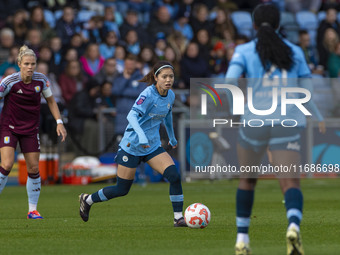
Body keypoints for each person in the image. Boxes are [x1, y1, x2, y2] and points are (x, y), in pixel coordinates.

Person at [225, 4, 326, 255]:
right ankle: (293, 226)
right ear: (280, 25)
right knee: (290, 181)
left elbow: (228, 82)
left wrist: (236, 110)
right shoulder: (294, 51)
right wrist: (317, 115)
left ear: (254, 25)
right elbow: (307, 91)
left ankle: (242, 240)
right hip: (286, 122)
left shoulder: (244, 50)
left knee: (247, 180)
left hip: (254, 122)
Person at [79, 61, 187, 227]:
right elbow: (131, 116)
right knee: (121, 189)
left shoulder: (170, 95)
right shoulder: (148, 94)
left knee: (174, 175)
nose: (168, 80)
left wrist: (172, 137)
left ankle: (178, 218)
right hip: (132, 146)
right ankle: (88, 200)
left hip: (152, 147)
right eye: (164, 76)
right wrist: (141, 136)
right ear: (156, 77)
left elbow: (167, 115)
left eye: (171, 76)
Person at [0, 45, 67, 219]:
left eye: (33, 64)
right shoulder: (9, 82)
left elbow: (52, 101)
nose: (30, 67)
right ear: (19, 64)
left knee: (34, 168)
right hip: (9, 127)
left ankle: (33, 210)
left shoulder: (41, 80)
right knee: (7, 165)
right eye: (27, 64)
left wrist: (59, 122)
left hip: (30, 129)